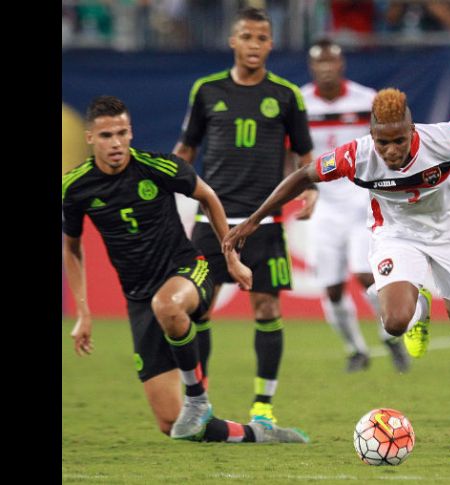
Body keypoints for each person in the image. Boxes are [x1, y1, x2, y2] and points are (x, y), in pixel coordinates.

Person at [223, 87, 450, 457]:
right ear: (371, 136)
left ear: (413, 130)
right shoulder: (357, 156)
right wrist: (255, 220)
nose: (391, 151)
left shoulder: (446, 137)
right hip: (396, 235)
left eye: (399, 140)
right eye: (382, 142)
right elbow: (304, 175)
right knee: (395, 321)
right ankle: (418, 310)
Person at [62, 95, 308, 445]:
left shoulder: (157, 167)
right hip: (138, 297)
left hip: (188, 271)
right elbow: (72, 248)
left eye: (122, 133)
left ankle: (198, 398)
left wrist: (231, 257)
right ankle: (258, 434)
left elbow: (208, 196)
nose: (115, 143)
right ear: (90, 138)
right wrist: (84, 311)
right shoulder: (75, 187)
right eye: (106, 136)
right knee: (172, 424)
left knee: (169, 305)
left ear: (131, 133)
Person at [172, 7, 315, 426]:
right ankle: (200, 401)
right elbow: (186, 151)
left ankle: (263, 406)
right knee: (199, 310)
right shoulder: (206, 90)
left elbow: (305, 156)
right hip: (210, 224)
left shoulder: (287, 95)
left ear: (270, 44)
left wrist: (312, 191)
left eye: (262, 38)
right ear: (233, 41)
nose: (254, 45)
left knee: (267, 309)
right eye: (247, 37)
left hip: (264, 223)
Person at [300, 38, 410, 373]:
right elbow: (293, 151)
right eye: (320, 63)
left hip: (361, 199)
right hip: (324, 205)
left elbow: (390, 144)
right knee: (332, 288)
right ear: (312, 67)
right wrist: (302, 189)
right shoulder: (300, 103)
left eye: (332, 61)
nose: (326, 68)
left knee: (366, 275)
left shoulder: (367, 101)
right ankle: (356, 350)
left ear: (341, 64)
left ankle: (388, 331)